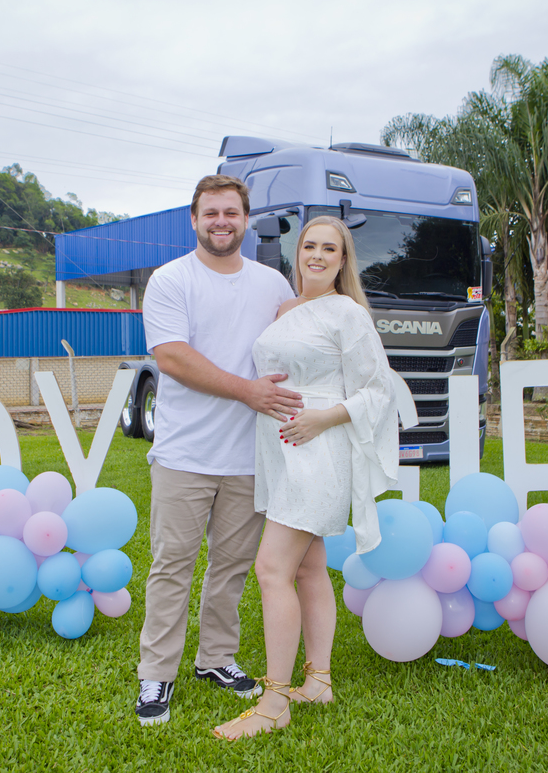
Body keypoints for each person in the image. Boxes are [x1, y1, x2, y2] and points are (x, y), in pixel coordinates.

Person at [213, 215, 399, 739]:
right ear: (297, 254)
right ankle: (318, 682)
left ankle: (274, 703)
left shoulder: (348, 313)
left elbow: (377, 390)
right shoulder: (285, 309)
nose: (316, 255)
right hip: (281, 451)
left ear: (343, 261)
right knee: (310, 568)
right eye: (309, 246)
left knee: (272, 568)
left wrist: (323, 418)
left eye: (328, 249)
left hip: (318, 450)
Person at [135, 175, 301, 726]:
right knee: (172, 566)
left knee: (231, 568)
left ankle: (216, 659)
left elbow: (300, 342)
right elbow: (172, 357)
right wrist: (248, 391)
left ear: (246, 219)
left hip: (249, 456)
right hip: (184, 453)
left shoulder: (271, 284)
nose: (221, 222)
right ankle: (156, 674)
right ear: (194, 219)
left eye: (231, 212)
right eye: (211, 213)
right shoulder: (171, 279)